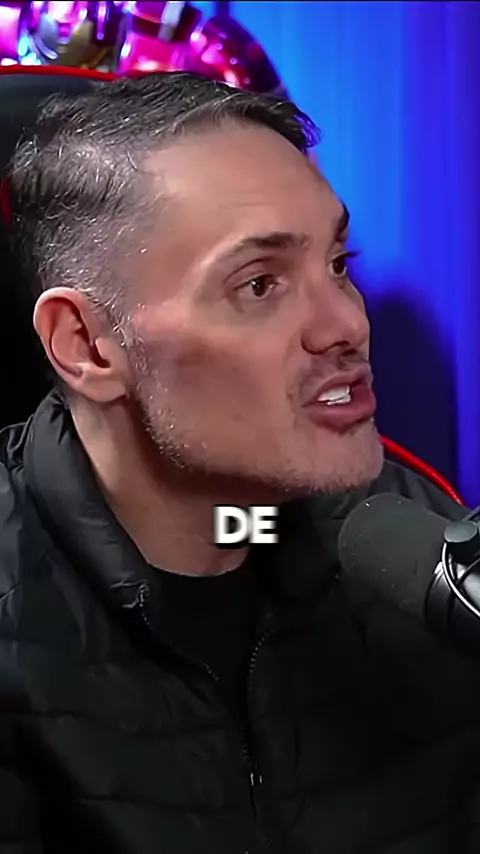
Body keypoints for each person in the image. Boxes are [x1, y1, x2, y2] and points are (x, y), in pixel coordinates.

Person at [0, 71, 478, 854]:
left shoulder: (417, 543)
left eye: (338, 263)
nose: (347, 325)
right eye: (259, 285)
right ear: (86, 345)